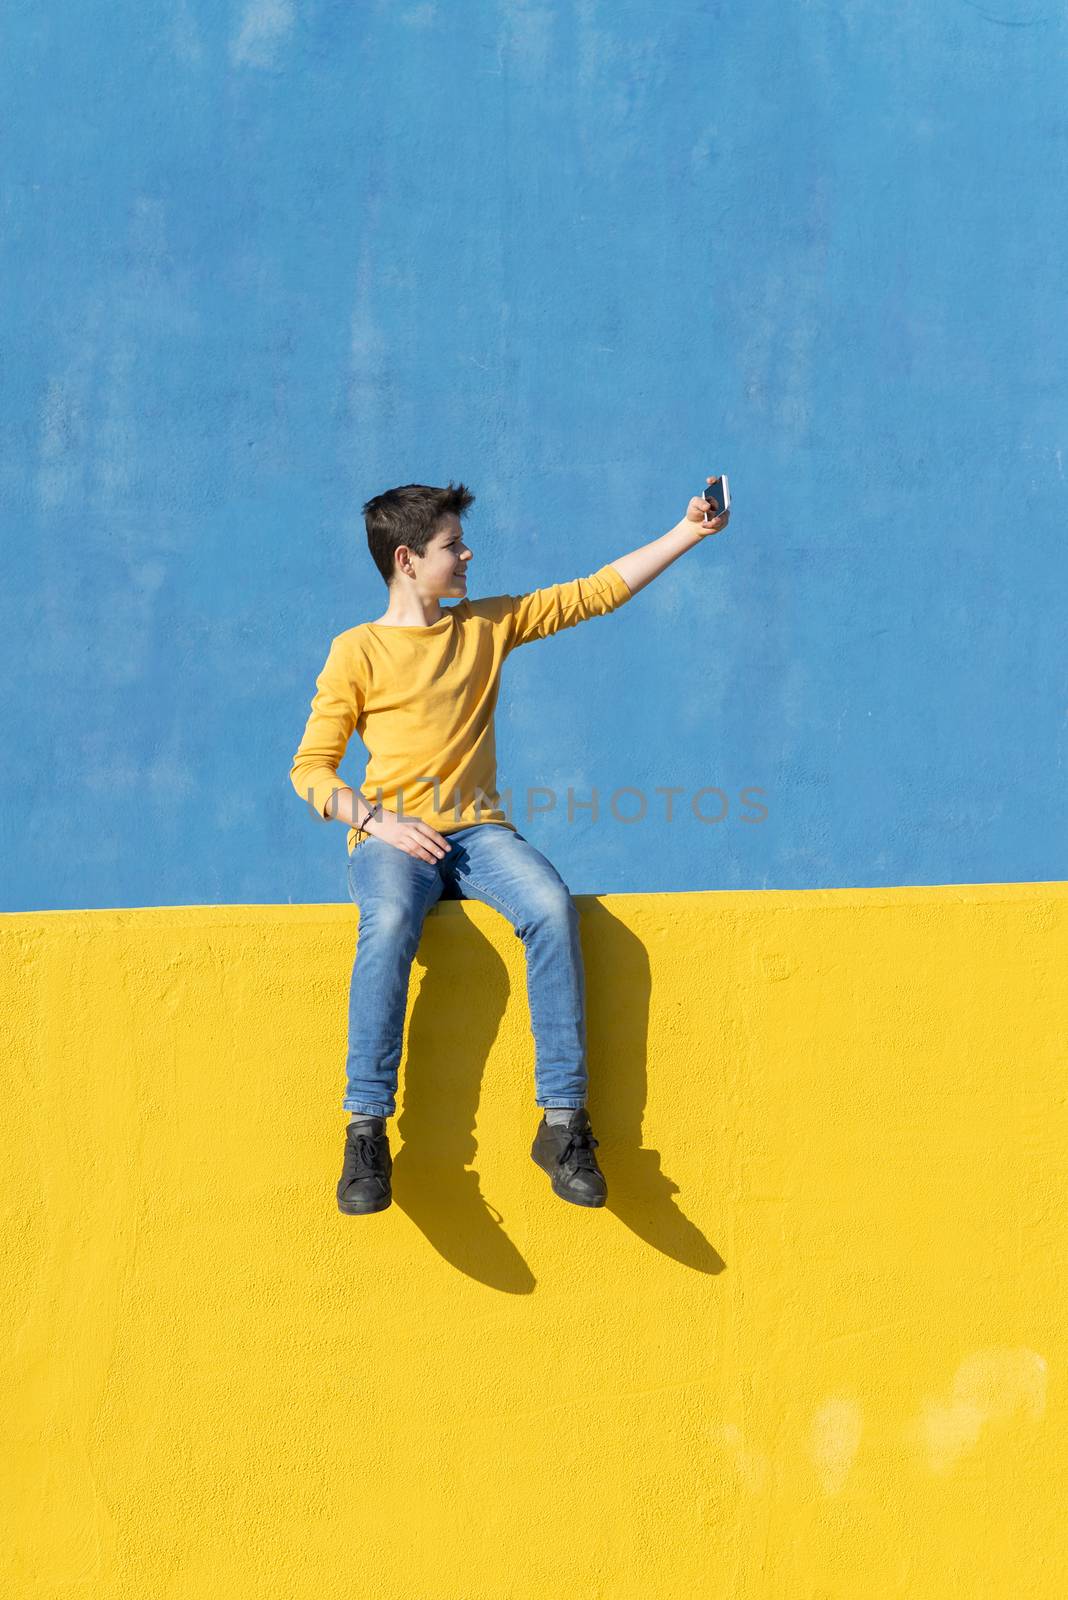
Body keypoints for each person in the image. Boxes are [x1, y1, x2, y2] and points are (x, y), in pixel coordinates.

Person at [289, 477, 730, 1216]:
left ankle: (563, 1125)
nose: (468, 554)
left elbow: (595, 593)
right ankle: (365, 1129)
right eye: (451, 545)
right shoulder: (356, 651)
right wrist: (376, 823)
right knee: (391, 923)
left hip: (480, 835)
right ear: (406, 561)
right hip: (394, 839)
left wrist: (690, 530)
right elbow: (310, 768)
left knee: (552, 908)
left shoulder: (485, 626)